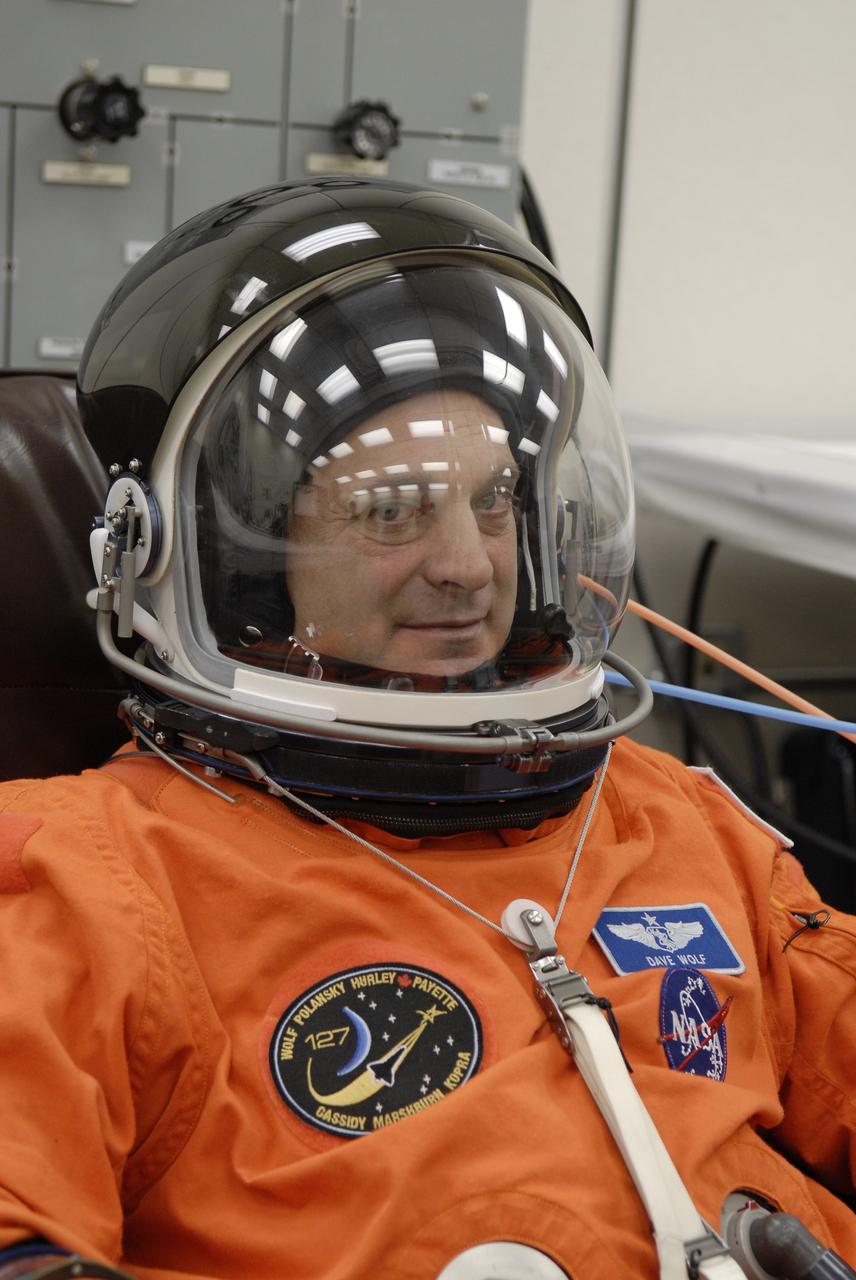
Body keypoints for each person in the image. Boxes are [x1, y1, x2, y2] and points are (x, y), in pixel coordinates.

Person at [0, 178, 854, 1280]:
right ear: (235, 560)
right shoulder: (89, 877)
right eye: (392, 507)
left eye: (492, 501)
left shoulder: (667, 817)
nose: (468, 565)